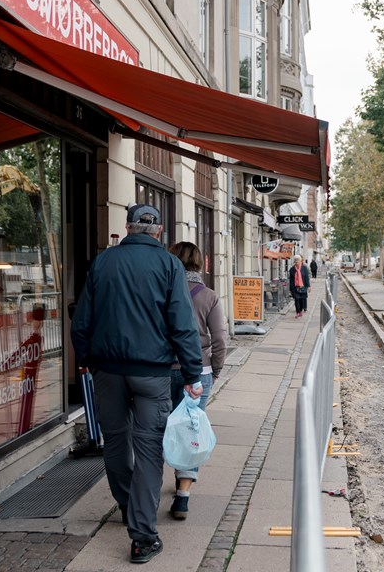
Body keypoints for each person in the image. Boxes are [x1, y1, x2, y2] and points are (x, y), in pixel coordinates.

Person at [70, 204, 203, 565]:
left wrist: (85, 359)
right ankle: (142, 536)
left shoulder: (103, 262)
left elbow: (82, 319)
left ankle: (129, 504)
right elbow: (181, 323)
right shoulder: (169, 265)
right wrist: (192, 374)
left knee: (115, 441)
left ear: (127, 228)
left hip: (108, 371)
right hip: (151, 373)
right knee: (148, 451)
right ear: (158, 232)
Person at [166, 241, 226, 521]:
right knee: (191, 429)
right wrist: (214, 371)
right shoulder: (209, 296)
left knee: (158, 426)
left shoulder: (164, 290)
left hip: (163, 369)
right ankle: (182, 496)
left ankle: (148, 488)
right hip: (198, 370)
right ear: (200, 263)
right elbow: (220, 339)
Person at [288, 254, 311, 318]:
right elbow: (291, 280)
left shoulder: (304, 268)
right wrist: (290, 289)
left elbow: (306, 278)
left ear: (300, 261)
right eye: (295, 260)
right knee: (297, 299)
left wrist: (308, 286)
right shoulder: (292, 269)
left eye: (297, 260)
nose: (296, 261)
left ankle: (300, 311)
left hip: (303, 287)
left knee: (301, 300)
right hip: (295, 287)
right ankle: (297, 312)